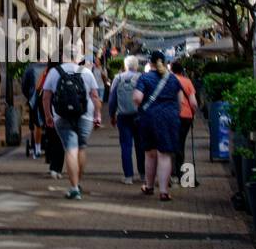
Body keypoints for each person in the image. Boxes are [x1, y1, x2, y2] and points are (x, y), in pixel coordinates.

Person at [42, 53, 101, 200]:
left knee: (70, 149)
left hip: (62, 116)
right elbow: (95, 96)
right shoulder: (86, 72)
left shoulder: (54, 72)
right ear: (78, 58)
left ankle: (74, 188)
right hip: (85, 116)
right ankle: (77, 182)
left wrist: (48, 115)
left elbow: (46, 96)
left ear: (62, 58)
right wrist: (97, 115)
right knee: (81, 148)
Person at [134, 51, 186, 201]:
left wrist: (140, 106)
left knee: (150, 154)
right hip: (169, 118)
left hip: (149, 118)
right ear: (164, 62)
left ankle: (149, 186)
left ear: (150, 63)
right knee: (165, 155)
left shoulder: (145, 78)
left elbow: (137, 97)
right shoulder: (173, 79)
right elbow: (181, 101)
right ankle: (163, 191)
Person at [108, 55, 146, 185]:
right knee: (141, 145)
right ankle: (143, 174)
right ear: (136, 66)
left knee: (126, 146)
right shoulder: (142, 78)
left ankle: (128, 176)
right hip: (139, 116)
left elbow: (112, 100)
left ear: (125, 66)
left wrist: (112, 115)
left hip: (123, 116)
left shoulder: (118, 78)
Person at [171, 61, 200, 181]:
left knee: (172, 143)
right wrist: (194, 113)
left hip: (172, 115)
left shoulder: (168, 81)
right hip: (186, 116)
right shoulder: (187, 81)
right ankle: (179, 170)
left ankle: (172, 170)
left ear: (171, 70)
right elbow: (193, 102)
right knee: (181, 142)